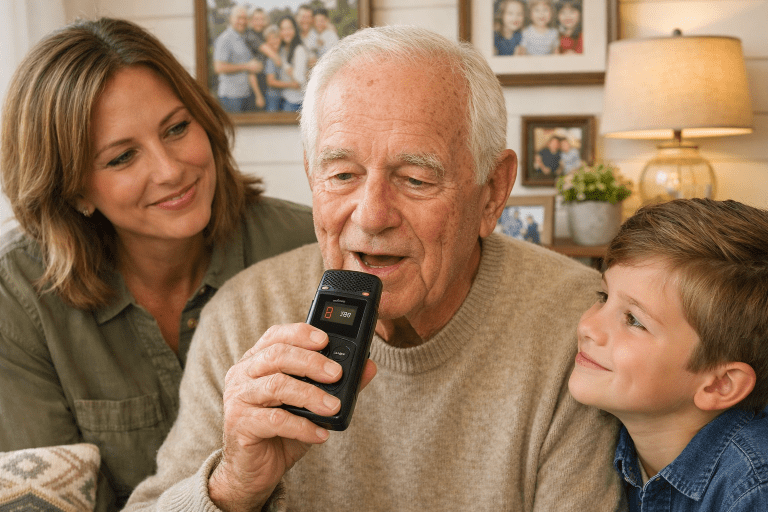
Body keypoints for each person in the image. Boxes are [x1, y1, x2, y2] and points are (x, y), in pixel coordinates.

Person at [124, 25, 623, 512]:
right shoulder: (243, 315)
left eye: (415, 179)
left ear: (492, 192)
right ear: (311, 176)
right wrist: (233, 488)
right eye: (342, 175)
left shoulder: (580, 324)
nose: (372, 216)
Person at [0, 17, 316, 511]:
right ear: (73, 189)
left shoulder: (307, 245)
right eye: (123, 157)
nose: (170, 171)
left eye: (176, 128)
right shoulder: (17, 298)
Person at [569, 198, 768, 511]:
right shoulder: (600, 438)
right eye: (603, 297)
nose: (589, 326)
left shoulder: (752, 489)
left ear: (720, 384)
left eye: (634, 320)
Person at [213, 5, 263, 112]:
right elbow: (219, 67)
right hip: (231, 97)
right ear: (231, 19)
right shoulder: (225, 39)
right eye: (239, 18)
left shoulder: (244, 37)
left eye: (245, 18)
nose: (242, 21)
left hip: (245, 94)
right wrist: (247, 66)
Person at [244, 7, 283, 111]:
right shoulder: (250, 35)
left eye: (262, 19)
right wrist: (258, 95)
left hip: (266, 81)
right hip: (255, 84)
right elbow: (251, 71)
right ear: (251, 20)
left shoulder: (264, 34)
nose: (259, 22)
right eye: (256, 19)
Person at [276, 15, 309, 112]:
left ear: (295, 30)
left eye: (289, 28)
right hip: (284, 98)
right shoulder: (282, 49)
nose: (286, 32)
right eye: (283, 29)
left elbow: (299, 79)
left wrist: (286, 66)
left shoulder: (299, 49)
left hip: (295, 102)